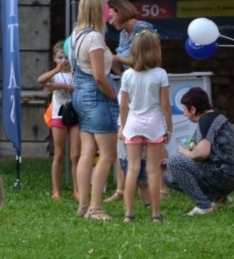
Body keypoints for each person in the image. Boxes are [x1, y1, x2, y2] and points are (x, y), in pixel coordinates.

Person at [105, 0, 157, 205]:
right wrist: (111, 63)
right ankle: (123, 187)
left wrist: (116, 58)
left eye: (112, 15)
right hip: (129, 88)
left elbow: (146, 61)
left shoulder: (144, 30)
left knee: (147, 142)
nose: (110, 20)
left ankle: (156, 189)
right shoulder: (122, 34)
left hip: (143, 93)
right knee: (124, 140)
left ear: (122, 11)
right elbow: (124, 69)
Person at [71, 0, 119, 220]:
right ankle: (96, 207)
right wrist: (113, 96)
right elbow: (100, 76)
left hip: (80, 94)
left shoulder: (75, 36)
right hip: (96, 97)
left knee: (88, 151)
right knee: (108, 154)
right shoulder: (95, 37)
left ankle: (83, 204)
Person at [119, 30, 172, 223]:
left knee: (132, 169)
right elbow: (165, 105)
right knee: (152, 170)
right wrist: (170, 128)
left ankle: (128, 213)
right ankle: (155, 214)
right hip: (154, 126)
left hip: (132, 125)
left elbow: (124, 106)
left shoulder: (127, 76)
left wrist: (122, 128)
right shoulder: (160, 74)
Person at [162, 87, 234, 215]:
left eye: (185, 110)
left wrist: (184, 152)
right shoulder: (216, 118)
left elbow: (201, 153)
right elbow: (199, 148)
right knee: (168, 176)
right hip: (231, 177)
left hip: (222, 175)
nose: (184, 114)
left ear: (193, 109)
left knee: (175, 162)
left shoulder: (206, 120)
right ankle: (219, 198)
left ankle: (203, 206)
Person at [38, 41, 81, 200]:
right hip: (58, 115)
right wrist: (55, 71)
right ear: (55, 59)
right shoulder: (55, 74)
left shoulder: (77, 73)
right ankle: (56, 190)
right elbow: (41, 80)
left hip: (76, 115)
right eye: (60, 57)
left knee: (76, 154)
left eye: (67, 57)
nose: (64, 60)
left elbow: (79, 88)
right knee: (59, 154)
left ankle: (77, 189)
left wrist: (60, 85)